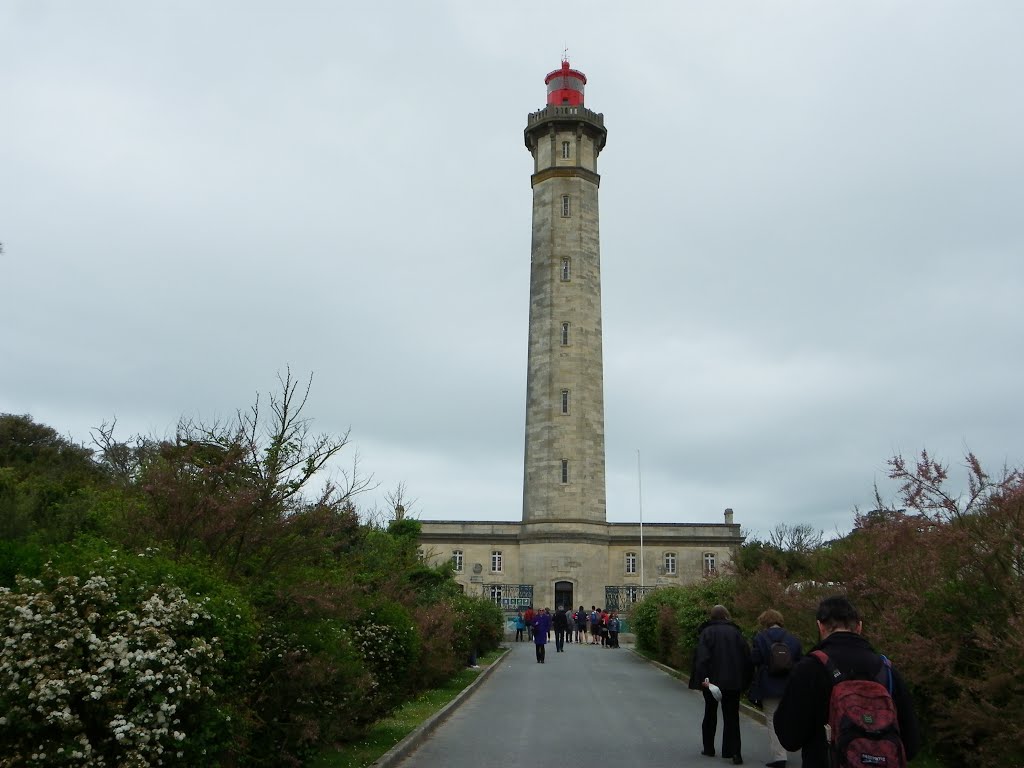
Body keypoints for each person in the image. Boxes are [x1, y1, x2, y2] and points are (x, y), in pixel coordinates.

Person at [774, 596, 920, 768]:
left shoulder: (809, 668)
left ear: (820, 626)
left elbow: (789, 738)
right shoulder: (886, 670)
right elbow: (911, 746)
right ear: (859, 627)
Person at [689, 604, 752, 765]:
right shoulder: (736, 633)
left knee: (710, 713)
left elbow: (702, 657)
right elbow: (746, 657)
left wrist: (702, 678)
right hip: (733, 681)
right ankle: (734, 752)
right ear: (726, 615)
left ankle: (709, 747)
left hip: (712, 681)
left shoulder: (707, 632)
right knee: (732, 717)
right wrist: (745, 680)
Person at [750, 609, 803, 768]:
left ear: (764, 621)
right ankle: (792, 746)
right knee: (788, 718)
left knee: (773, 720)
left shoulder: (760, 637)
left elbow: (755, 659)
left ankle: (780, 756)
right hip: (789, 685)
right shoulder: (793, 639)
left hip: (768, 684)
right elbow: (801, 661)